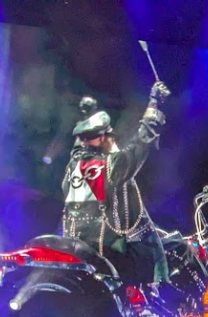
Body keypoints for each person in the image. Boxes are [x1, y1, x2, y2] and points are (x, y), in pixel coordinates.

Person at [60, 80, 171, 296]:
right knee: (149, 243)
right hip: (105, 250)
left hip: (76, 244)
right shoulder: (108, 166)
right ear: (102, 138)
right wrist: (154, 104)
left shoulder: (72, 168)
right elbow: (138, 146)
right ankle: (161, 289)